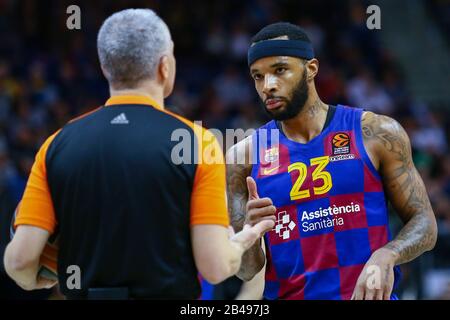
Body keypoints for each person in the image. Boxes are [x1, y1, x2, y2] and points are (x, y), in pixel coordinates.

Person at [4, 9, 273, 299]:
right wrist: (244, 239)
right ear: (164, 66)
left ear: (106, 67)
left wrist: (37, 277)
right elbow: (215, 267)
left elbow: (19, 261)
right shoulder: (197, 143)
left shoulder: (57, 144)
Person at [226, 22, 437, 300]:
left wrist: (388, 254)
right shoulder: (243, 157)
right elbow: (247, 270)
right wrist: (250, 235)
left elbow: (425, 223)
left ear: (311, 69)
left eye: (280, 70)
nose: (268, 86)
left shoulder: (376, 133)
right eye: (257, 76)